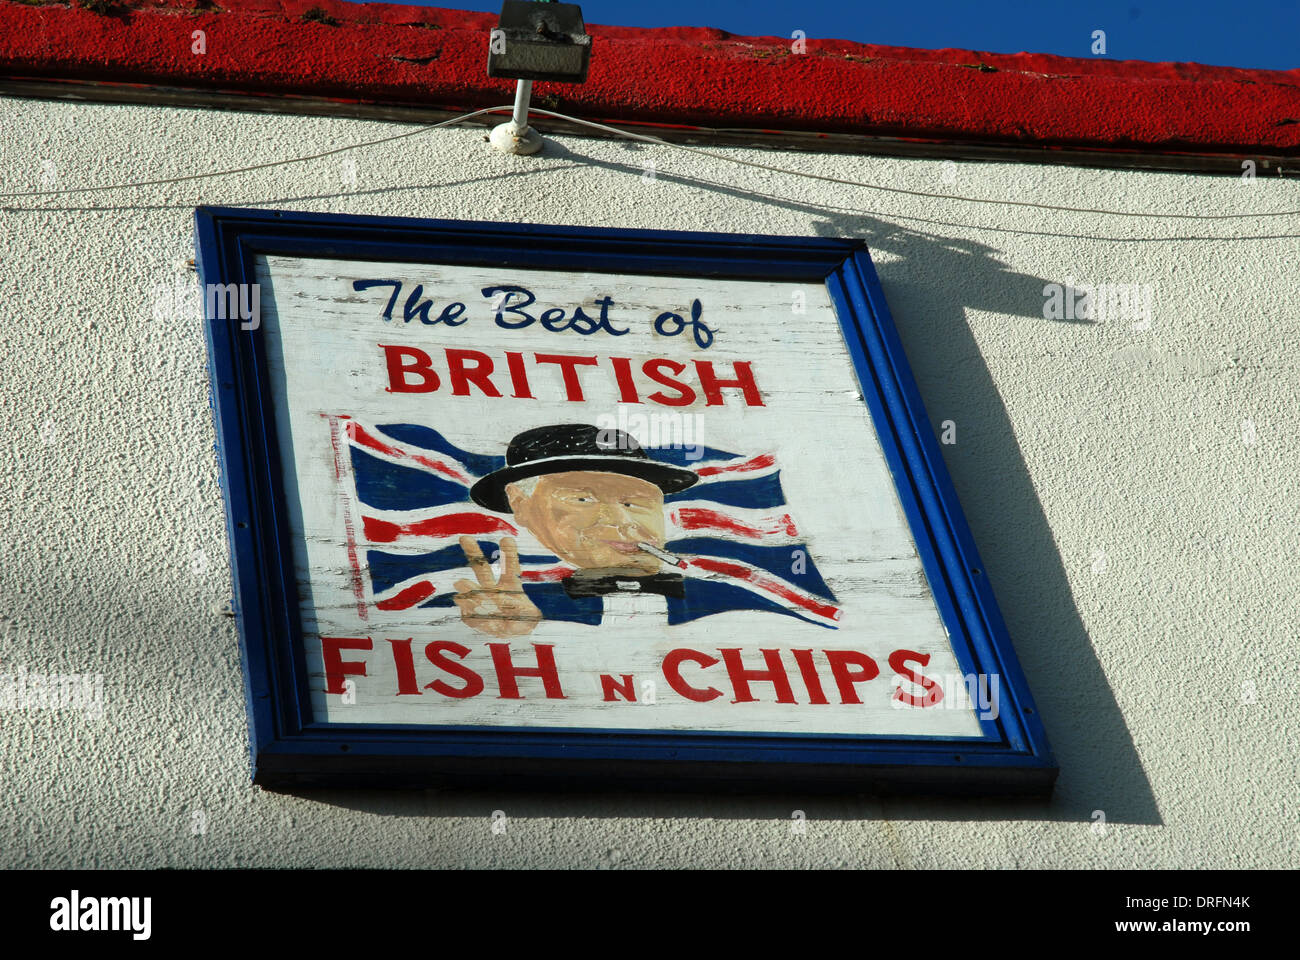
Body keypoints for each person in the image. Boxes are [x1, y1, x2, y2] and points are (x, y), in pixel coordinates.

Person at [455, 422, 698, 637]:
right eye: (583, 499)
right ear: (520, 503)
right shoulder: (513, 600)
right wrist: (516, 636)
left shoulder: (719, 596)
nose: (621, 520)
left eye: (633, 502)